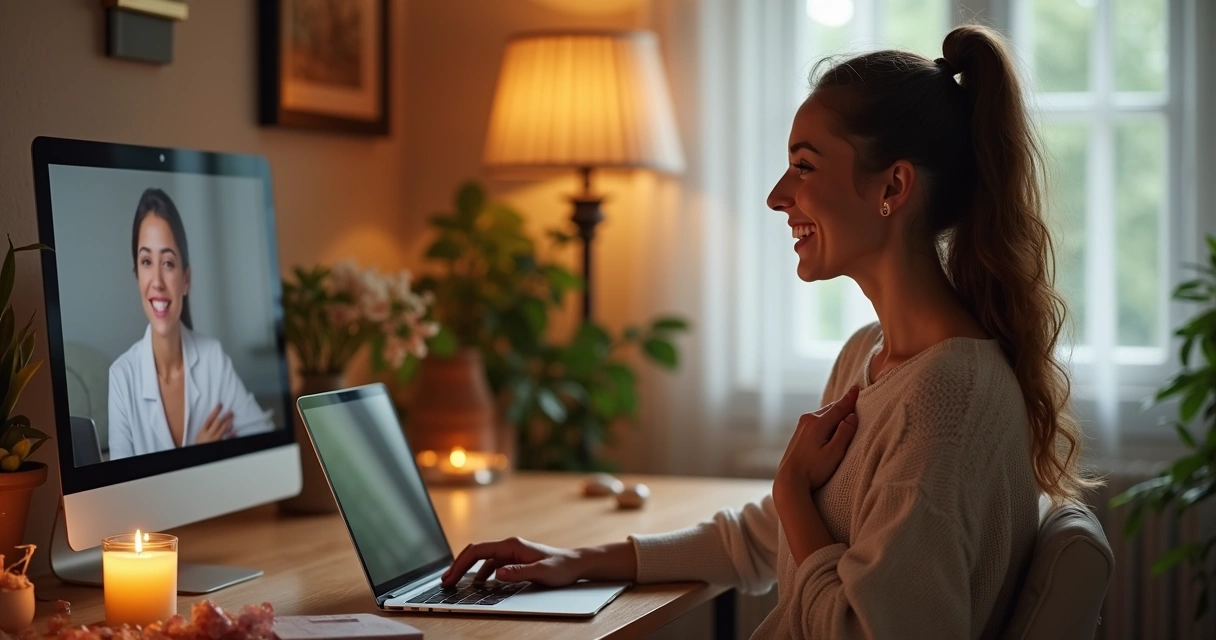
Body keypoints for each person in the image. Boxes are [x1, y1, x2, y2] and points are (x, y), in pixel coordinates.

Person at [439, 25, 1097, 638]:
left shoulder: (943, 400)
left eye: (805, 166)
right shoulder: (869, 355)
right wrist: (575, 561)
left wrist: (791, 492)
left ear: (893, 186)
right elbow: (767, 537)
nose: (778, 195)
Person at [108, 188, 274, 460]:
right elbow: (120, 498)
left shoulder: (212, 357)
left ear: (186, 279)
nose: (157, 281)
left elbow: (263, 442)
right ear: (137, 274)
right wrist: (196, 456)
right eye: (147, 261)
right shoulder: (121, 377)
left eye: (169, 263)